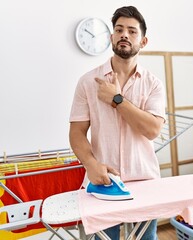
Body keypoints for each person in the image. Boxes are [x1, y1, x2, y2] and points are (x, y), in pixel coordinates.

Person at [69, 6, 166, 240]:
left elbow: (152, 130)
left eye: (132, 31)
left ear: (143, 41)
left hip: (145, 182)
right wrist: (91, 164)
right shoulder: (87, 82)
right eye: (119, 29)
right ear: (111, 37)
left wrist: (117, 99)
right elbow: (77, 133)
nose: (124, 34)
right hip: (103, 182)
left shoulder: (154, 84)